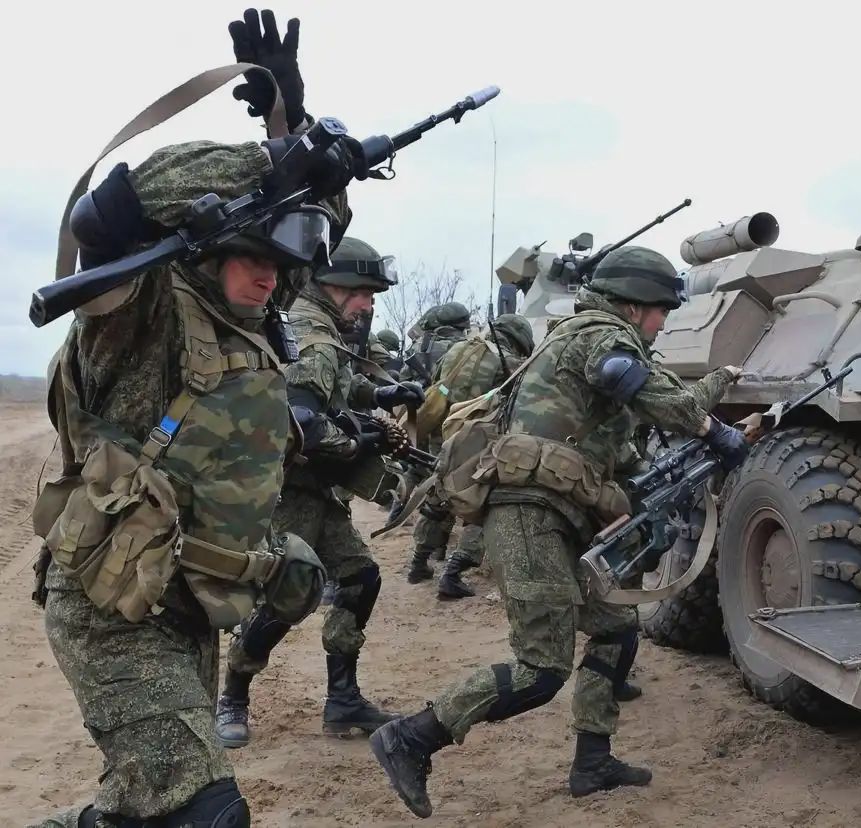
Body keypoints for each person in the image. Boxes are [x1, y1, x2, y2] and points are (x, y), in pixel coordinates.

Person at [33, 134, 357, 828]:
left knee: (146, 811)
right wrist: (268, 156)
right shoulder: (139, 309)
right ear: (212, 248)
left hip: (189, 607)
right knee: (205, 811)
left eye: (280, 266)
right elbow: (115, 208)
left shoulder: (252, 321)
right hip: (111, 609)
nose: (271, 279)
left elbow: (311, 218)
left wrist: (307, 138)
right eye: (254, 259)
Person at [369, 246, 749, 818]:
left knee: (617, 629)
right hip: (528, 515)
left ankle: (593, 760)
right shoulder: (601, 336)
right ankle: (412, 736)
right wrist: (715, 431)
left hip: (556, 515)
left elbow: (629, 434)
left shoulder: (589, 344)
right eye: (662, 310)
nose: (665, 321)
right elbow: (653, 395)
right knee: (541, 668)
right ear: (635, 304)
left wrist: (718, 385)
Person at [215, 237, 424, 748]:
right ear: (337, 286)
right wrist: (361, 439)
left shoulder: (319, 329)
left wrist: (380, 393)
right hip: (289, 491)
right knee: (288, 594)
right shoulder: (313, 336)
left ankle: (343, 699)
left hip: (316, 488)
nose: (369, 304)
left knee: (360, 577)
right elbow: (300, 422)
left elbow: (334, 385)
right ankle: (233, 695)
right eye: (365, 293)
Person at [406, 314, 534, 598]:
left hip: (444, 431)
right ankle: (454, 573)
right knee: (482, 501)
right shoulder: (508, 361)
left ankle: (419, 562)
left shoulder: (458, 348)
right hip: (478, 438)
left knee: (439, 493)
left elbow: (436, 380)